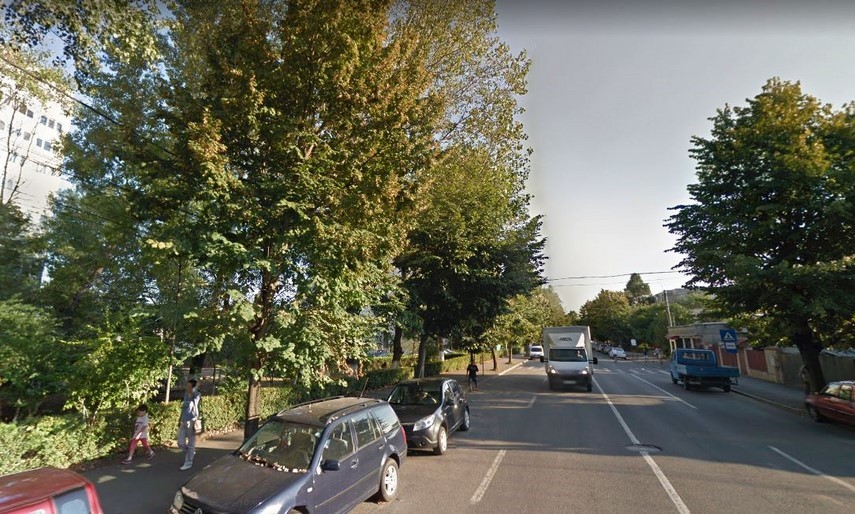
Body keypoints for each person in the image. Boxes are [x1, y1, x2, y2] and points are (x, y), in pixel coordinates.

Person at [177, 379, 201, 471]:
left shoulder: (196, 395)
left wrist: (196, 387)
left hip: (192, 422)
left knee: (191, 444)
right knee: (180, 443)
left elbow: (195, 397)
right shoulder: (186, 395)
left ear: (193, 387)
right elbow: (183, 409)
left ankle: (188, 463)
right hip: (184, 421)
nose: (187, 388)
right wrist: (180, 419)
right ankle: (191, 452)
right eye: (187, 386)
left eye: (189, 386)